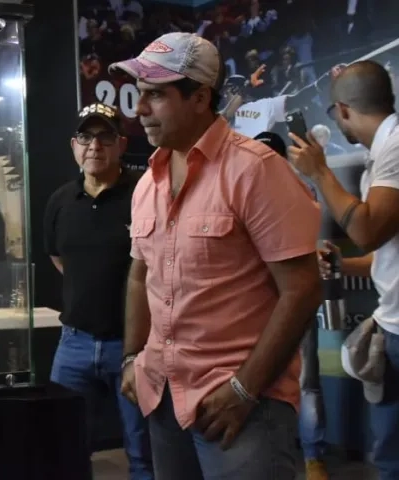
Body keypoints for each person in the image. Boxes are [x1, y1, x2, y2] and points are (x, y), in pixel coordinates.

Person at [111, 32, 322, 480]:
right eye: (140, 95)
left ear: (199, 97)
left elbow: (302, 289)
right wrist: (132, 358)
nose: (139, 109)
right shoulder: (150, 181)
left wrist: (244, 389)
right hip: (163, 395)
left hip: (241, 406)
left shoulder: (256, 170)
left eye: (155, 95)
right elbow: (139, 274)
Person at [288, 59, 399, 479]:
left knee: (390, 459)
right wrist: (341, 264)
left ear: (344, 110)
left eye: (335, 115)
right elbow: (386, 252)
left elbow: (367, 230)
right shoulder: (382, 154)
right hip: (392, 325)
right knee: (387, 454)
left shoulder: (395, 148)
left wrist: (319, 173)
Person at [43, 102, 153, 479]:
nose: (94, 146)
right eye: (85, 137)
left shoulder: (143, 194)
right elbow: (59, 259)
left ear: (121, 144)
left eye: (105, 137)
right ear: (74, 145)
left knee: (142, 450)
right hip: (73, 343)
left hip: (133, 345)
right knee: (63, 446)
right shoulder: (60, 201)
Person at [254, 131, 329, 480]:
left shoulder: (300, 192)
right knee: (262, 382)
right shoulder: (242, 192)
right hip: (255, 305)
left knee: (306, 381)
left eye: (272, 156)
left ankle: (313, 458)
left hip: (294, 301)